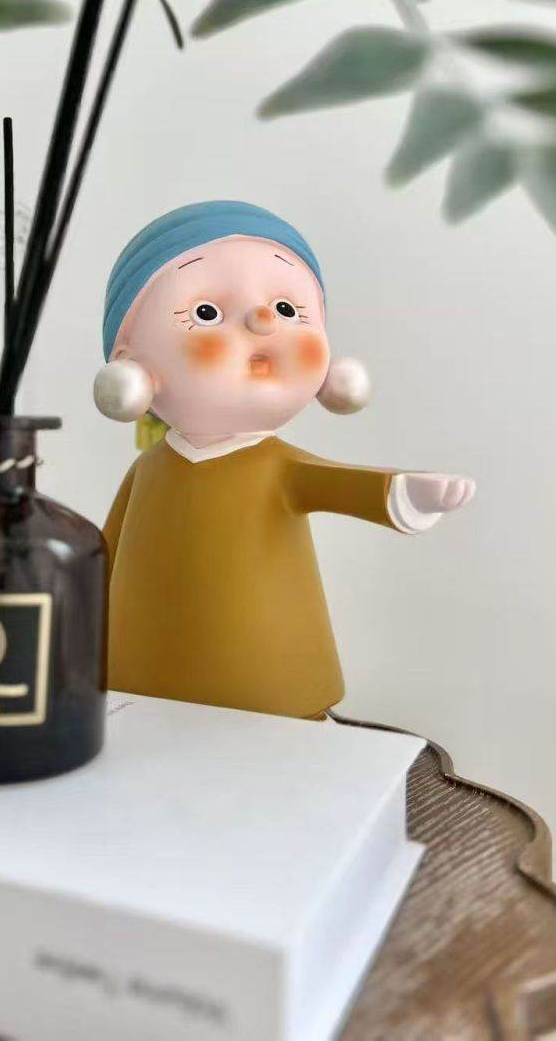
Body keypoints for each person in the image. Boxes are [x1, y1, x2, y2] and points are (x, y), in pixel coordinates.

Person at [94, 200, 475, 722]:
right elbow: (105, 550)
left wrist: (408, 491)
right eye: (207, 313)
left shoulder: (278, 467)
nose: (262, 321)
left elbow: (340, 485)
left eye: (289, 309)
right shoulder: (149, 470)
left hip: (272, 693)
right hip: (140, 689)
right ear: (128, 361)